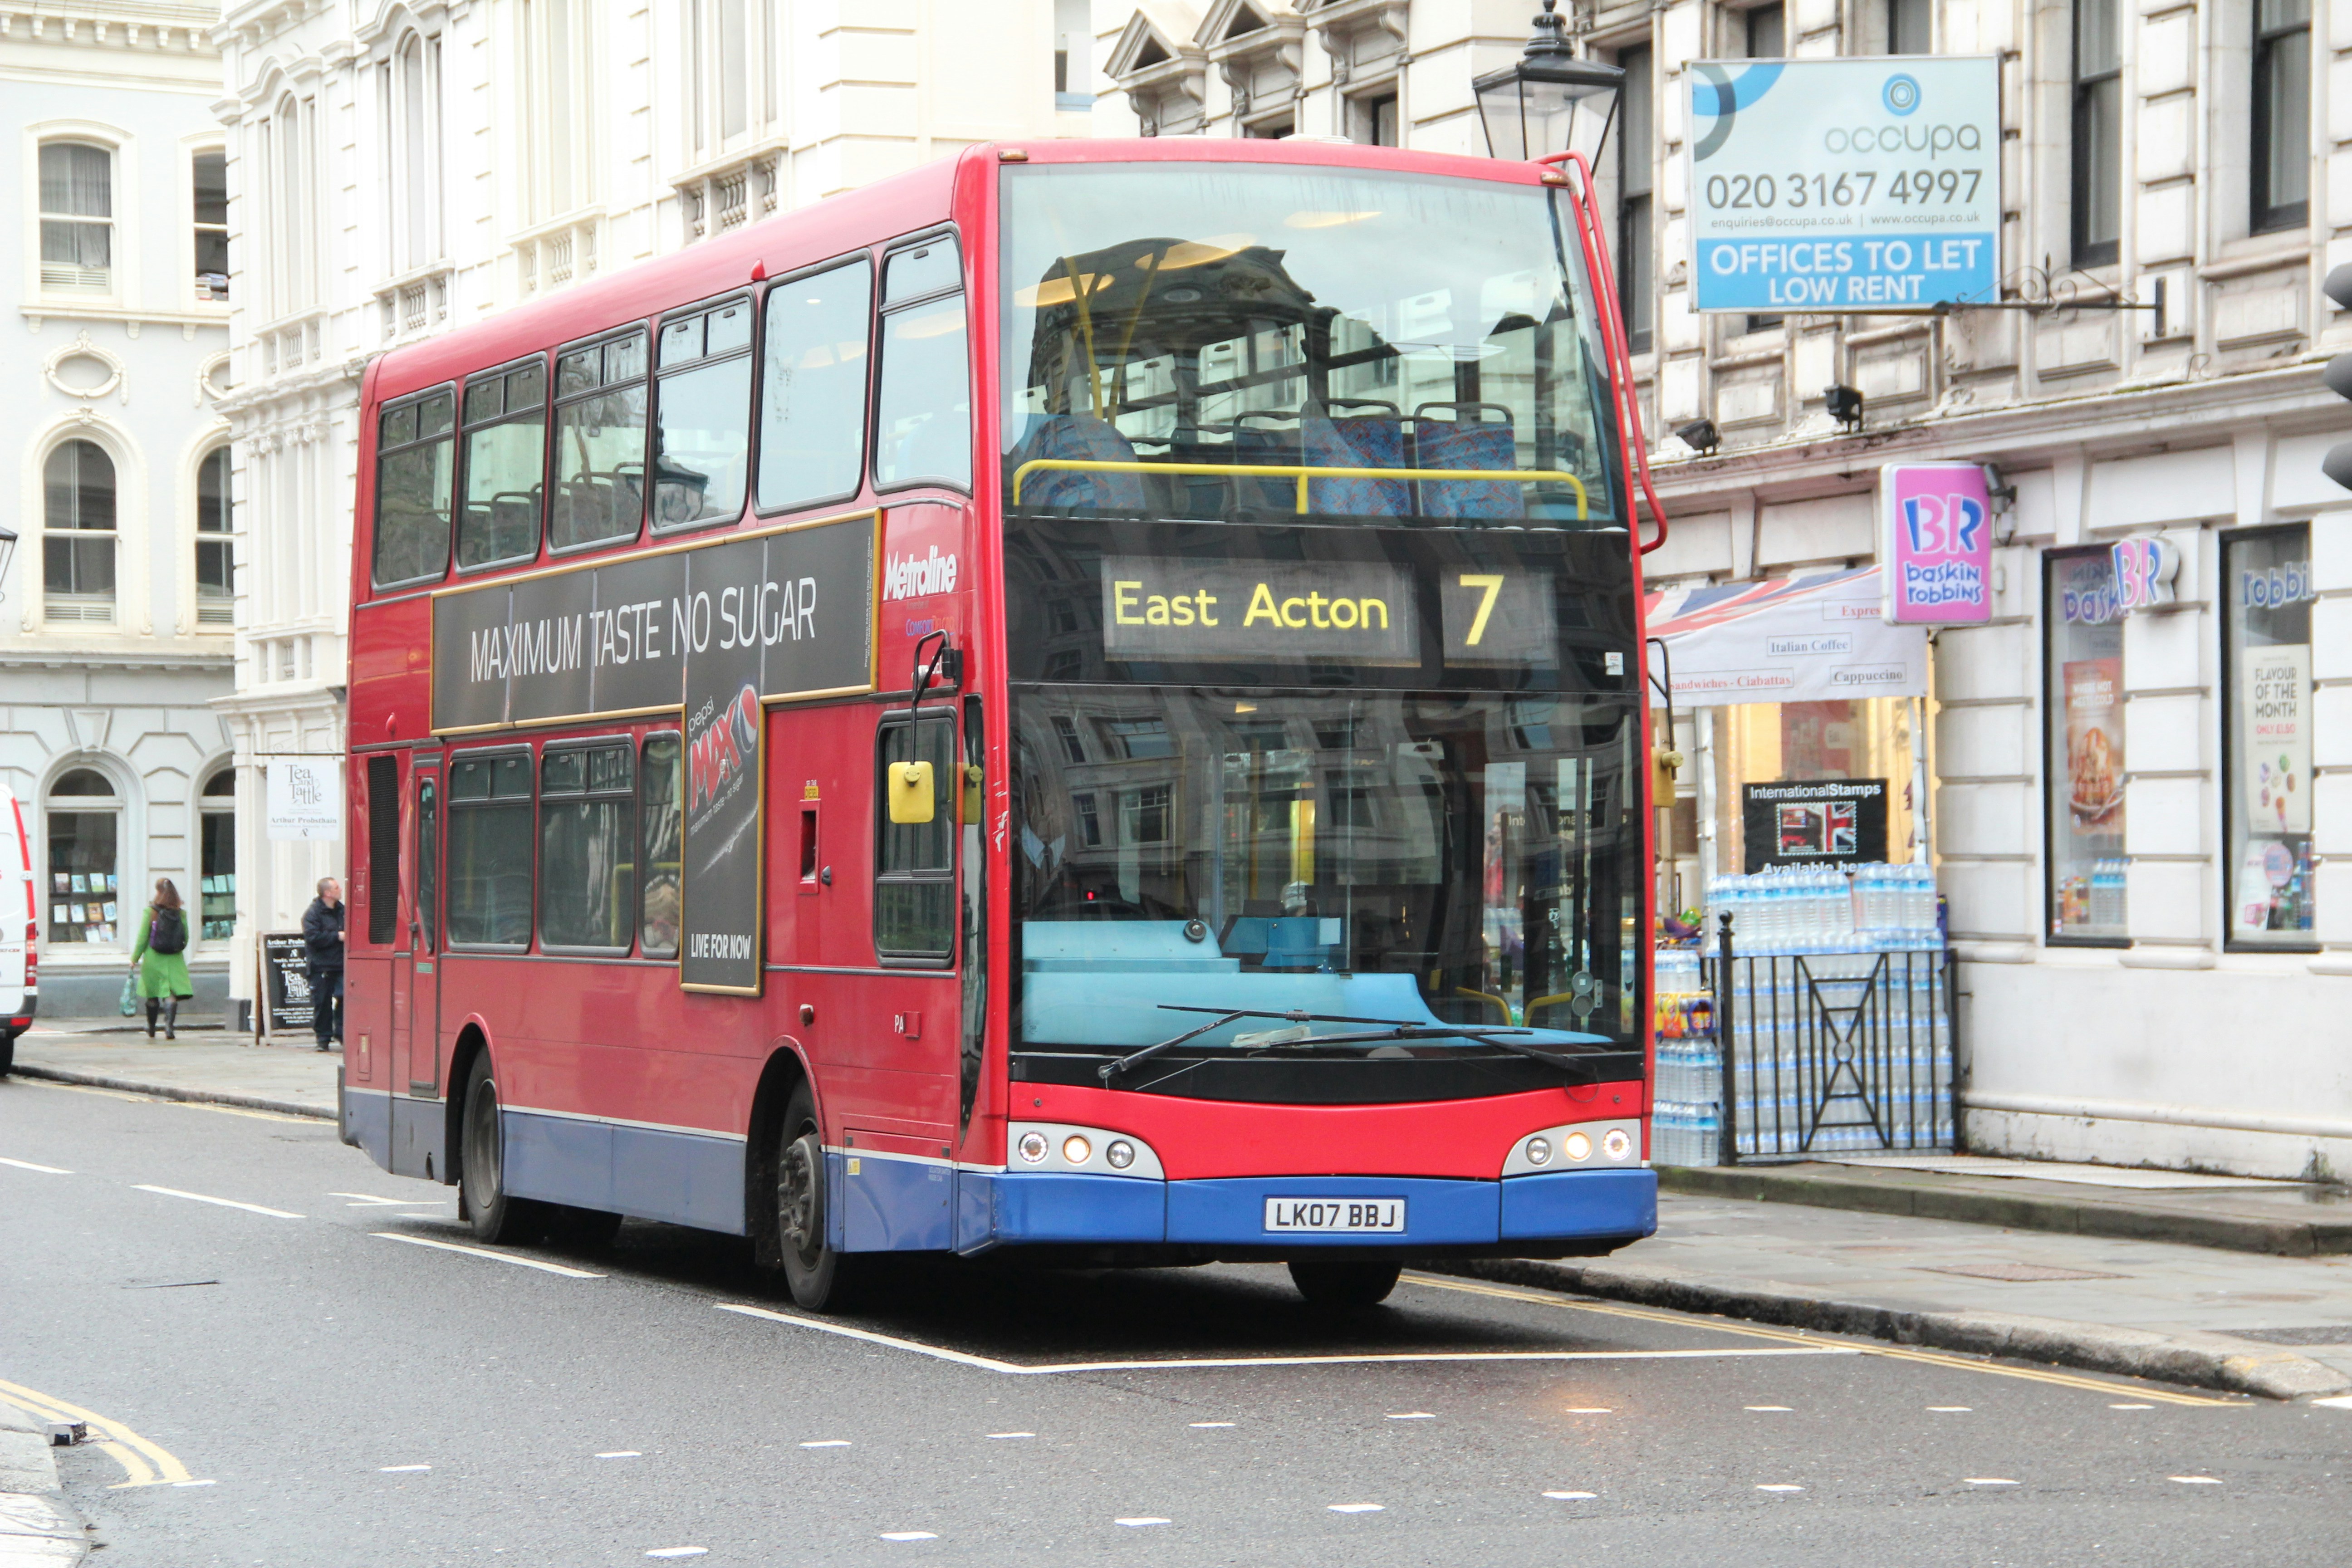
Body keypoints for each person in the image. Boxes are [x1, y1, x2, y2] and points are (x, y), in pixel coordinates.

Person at [130, 878, 195, 1039]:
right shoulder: (181, 913)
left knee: (152, 994)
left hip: (153, 956)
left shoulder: (150, 912)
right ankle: (169, 1028)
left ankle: (151, 1028)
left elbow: (143, 937)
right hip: (174, 958)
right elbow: (186, 938)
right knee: (170, 994)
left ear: (158, 892)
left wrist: (135, 958)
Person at [302, 876, 345, 1052]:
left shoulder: (343, 911)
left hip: (341, 964)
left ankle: (342, 1033)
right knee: (322, 1002)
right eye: (336, 888)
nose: (340, 890)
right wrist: (337, 937)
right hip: (321, 966)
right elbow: (312, 938)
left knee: (345, 998)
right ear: (328, 893)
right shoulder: (313, 914)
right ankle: (323, 1038)